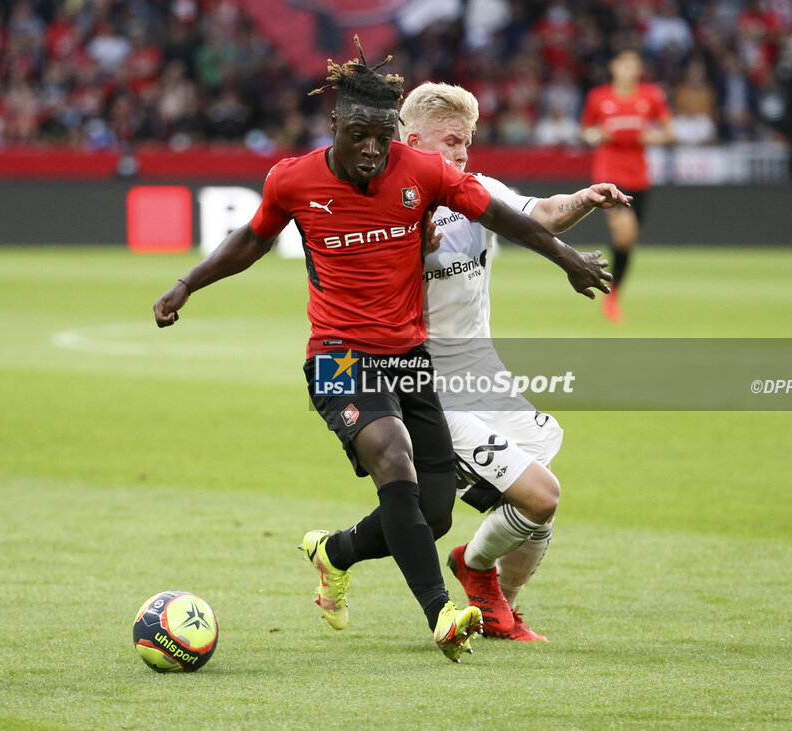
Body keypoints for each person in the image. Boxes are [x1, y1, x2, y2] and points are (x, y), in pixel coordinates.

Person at [153, 38, 612, 662]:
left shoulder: (425, 176)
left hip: (410, 359)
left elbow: (509, 217)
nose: (371, 150)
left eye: (381, 138)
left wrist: (566, 258)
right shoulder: (292, 178)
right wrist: (186, 283)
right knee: (394, 458)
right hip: (339, 354)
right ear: (334, 125)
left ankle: (335, 552)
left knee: (433, 511)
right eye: (358, 135)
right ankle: (443, 612)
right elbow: (252, 239)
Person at [399, 82, 631, 641]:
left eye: (468, 143)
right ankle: (476, 573)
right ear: (411, 140)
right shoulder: (384, 208)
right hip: (423, 385)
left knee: (540, 498)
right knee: (538, 495)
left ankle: (502, 603)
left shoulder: (475, 191)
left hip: (482, 376)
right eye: (451, 141)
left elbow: (542, 215)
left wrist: (584, 199)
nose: (462, 154)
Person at [580, 49, 673, 323]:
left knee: (628, 241)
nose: (628, 70)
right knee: (624, 233)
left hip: (640, 178)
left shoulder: (651, 96)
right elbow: (586, 131)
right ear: (614, 66)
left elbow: (670, 132)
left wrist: (647, 138)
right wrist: (599, 135)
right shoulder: (599, 97)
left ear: (639, 69)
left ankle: (613, 295)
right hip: (609, 176)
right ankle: (608, 292)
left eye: (634, 65)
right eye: (624, 64)